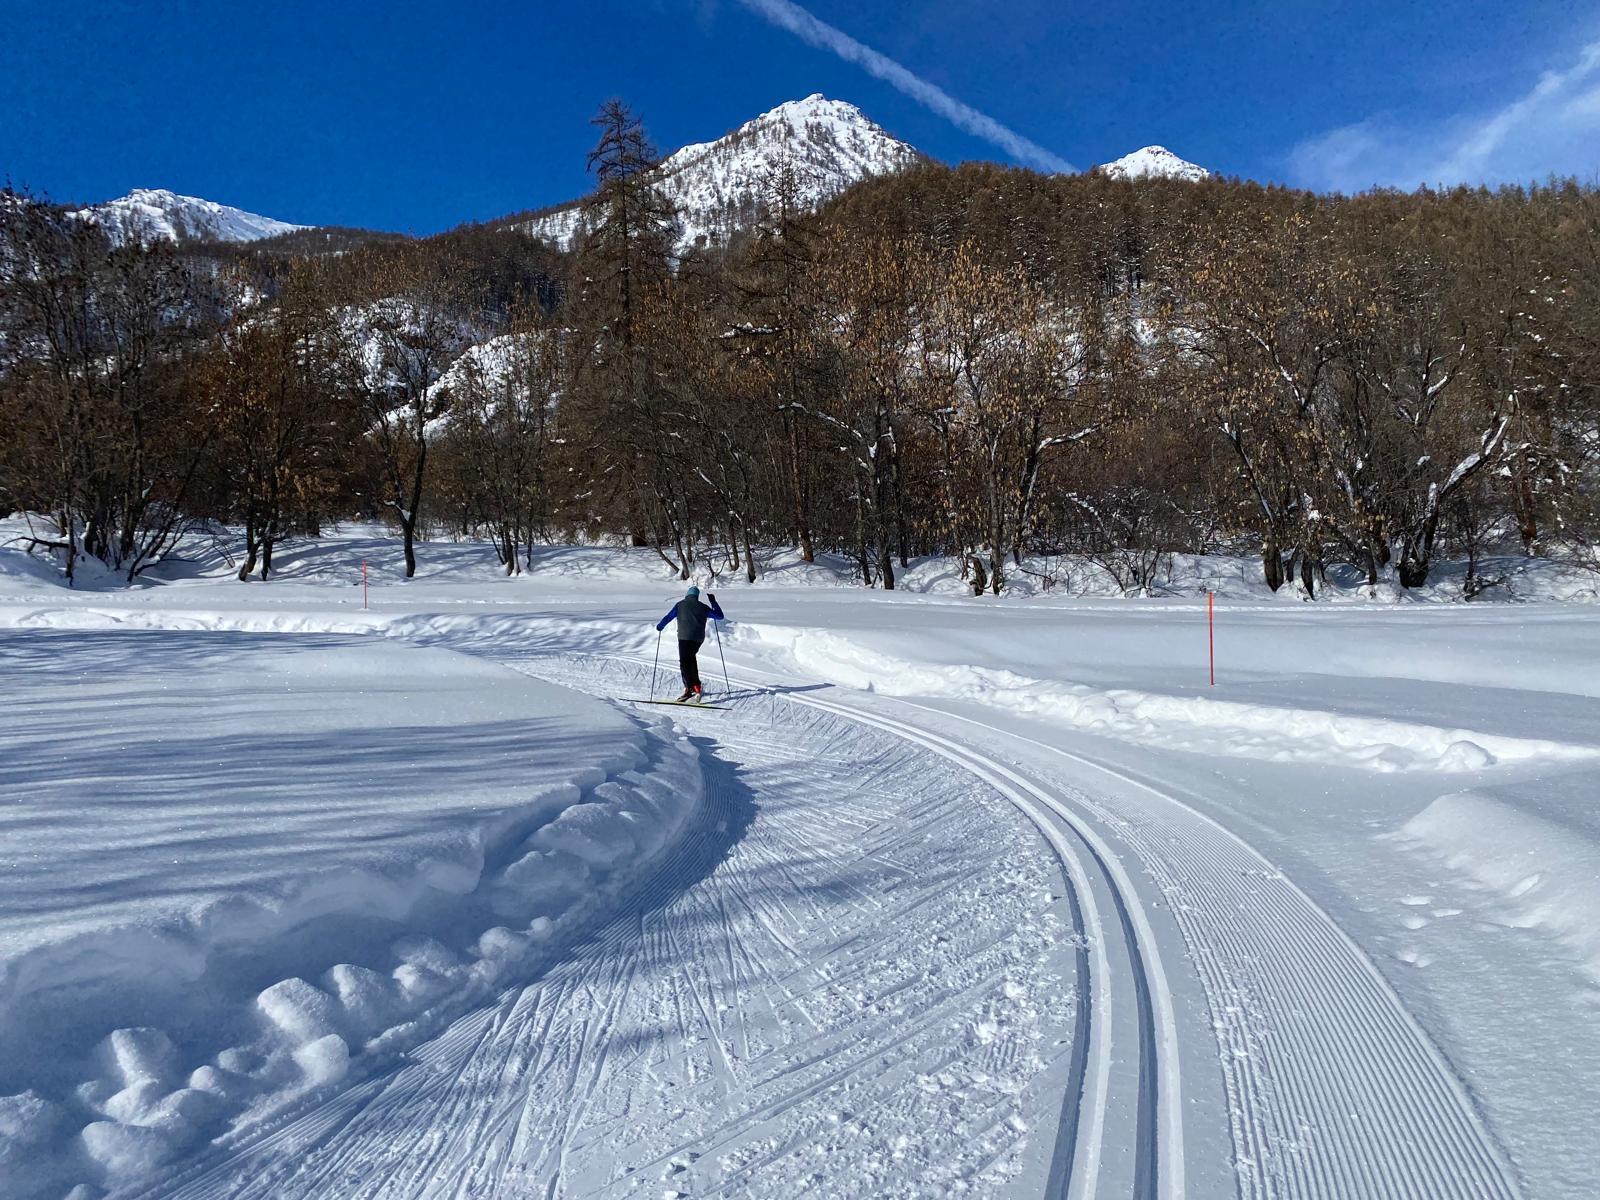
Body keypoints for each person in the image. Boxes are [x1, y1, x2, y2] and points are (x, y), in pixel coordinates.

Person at [655, 585, 724, 702]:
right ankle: (696, 686)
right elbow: (719, 616)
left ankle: (689, 689)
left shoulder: (680, 605)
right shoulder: (703, 607)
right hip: (698, 639)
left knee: (684, 663)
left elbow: (668, 617)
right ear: (697, 596)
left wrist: (660, 626)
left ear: (687, 594)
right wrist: (713, 602)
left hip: (684, 638)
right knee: (691, 659)